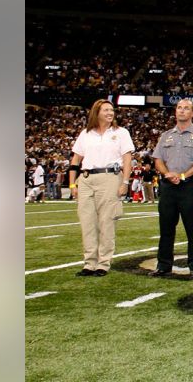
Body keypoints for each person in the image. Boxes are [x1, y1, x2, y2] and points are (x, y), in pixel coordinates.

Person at [67, 99, 134, 276]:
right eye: (106, 110)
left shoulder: (121, 132)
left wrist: (125, 182)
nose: (110, 113)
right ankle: (89, 263)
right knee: (87, 222)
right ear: (96, 112)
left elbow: (127, 159)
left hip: (109, 176)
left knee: (106, 221)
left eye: (112, 110)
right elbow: (75, 160)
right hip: (86, 178)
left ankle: (103, 263)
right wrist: (73, 183)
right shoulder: (86, 133)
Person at [150, 98, 193, 278]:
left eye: (186, 108)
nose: (182, 111)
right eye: (179, 108)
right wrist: (168, 174)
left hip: (189, 186)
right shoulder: (166, 135)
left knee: (192, 227)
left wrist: (184, 175)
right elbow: (158, 159)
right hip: (168, 185)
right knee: (166, 228)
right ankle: (163, 265)